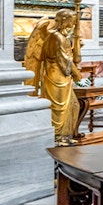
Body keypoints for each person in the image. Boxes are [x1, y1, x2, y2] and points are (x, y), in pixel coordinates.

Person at [24, 10, 82, 145]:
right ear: (64, 20)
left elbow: (71, 58)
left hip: (60, 76)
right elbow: (66, 61)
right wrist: (77, 74)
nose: (73, 24)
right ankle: (57, 136)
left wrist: (77, 44)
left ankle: (66, 135)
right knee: (58, 108)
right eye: (72, 21)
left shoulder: (59, 36)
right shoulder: (57, 37)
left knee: (73, 105)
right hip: (57, 77)